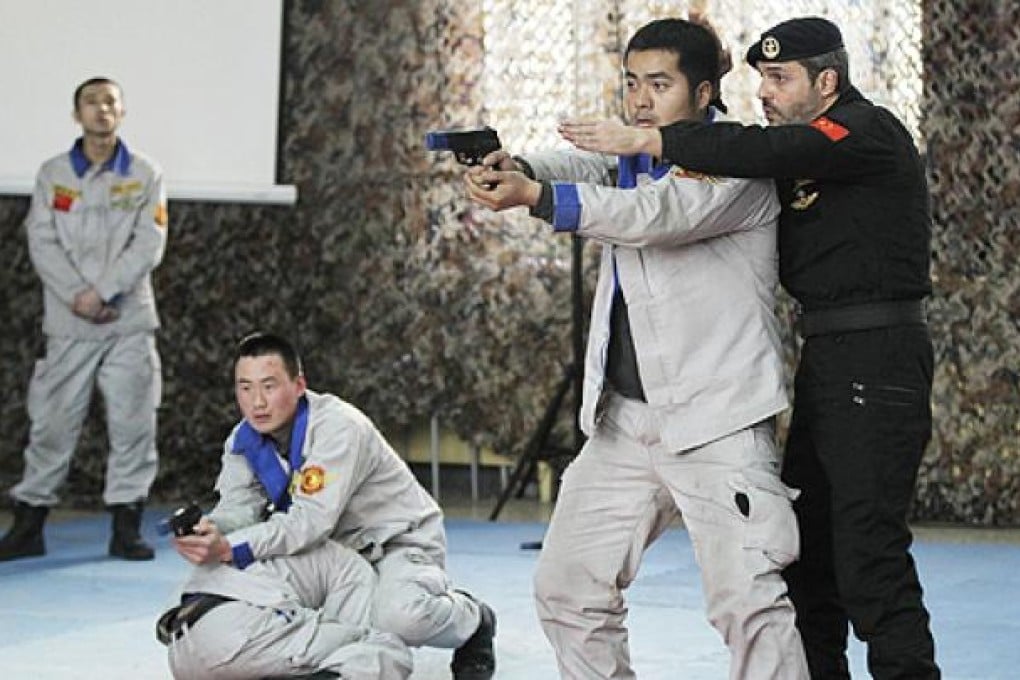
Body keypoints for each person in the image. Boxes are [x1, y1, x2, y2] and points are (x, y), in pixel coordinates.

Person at [561, 16, 940, 680]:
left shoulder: (864, 131)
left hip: (878, 355)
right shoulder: (791, 150)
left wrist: (656, 135)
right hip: (826, 358)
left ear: (829, 81)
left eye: (781, 78)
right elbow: (750, 150)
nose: (766, 92)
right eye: (759, 78)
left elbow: (763, 151)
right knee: (807, 560)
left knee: (868, 555)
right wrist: (712, 82)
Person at [464, 18, 808, 680]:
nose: (641, 99)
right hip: (624, 424)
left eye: (659, 84)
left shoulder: (740, 165)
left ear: (704, 92)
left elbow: (652, 218)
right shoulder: (629, 160)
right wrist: (521, 167)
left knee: (749, 609)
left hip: (720, 424)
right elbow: (580, 167)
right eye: (631, 83)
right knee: (567, 589)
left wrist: (534, 197)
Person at [160, 332, 496, 680]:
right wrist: (212, 531)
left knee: (399, 617)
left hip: (395, 543)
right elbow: (239, 508)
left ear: (299, 385)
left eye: (269, 386)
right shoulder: (243, 440)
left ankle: (473, 618)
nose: (257, 402)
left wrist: (230, 546)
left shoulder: (338, 427)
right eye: (245, 388)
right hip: (331, 551)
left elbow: (309, 521)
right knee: (217, 585)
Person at [0, 76, 166, 562]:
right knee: (51, 424)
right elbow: (42, 240)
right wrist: (79, 296)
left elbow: (149, 243)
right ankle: (29, 524)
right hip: (69, 322)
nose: (101, 110)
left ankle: (126, 526)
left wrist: (105, 292)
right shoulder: (54, 174)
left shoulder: (144, 173)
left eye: (110, 101)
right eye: (91, 103)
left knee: (134, 424)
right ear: (77, 115)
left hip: (127, 321)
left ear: (122, 111)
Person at [160, 523, 413, 679]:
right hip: (239, 636)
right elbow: (355, 632)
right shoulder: (349, 563)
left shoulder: (250, 535)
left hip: (180, 653)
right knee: (386, 649)